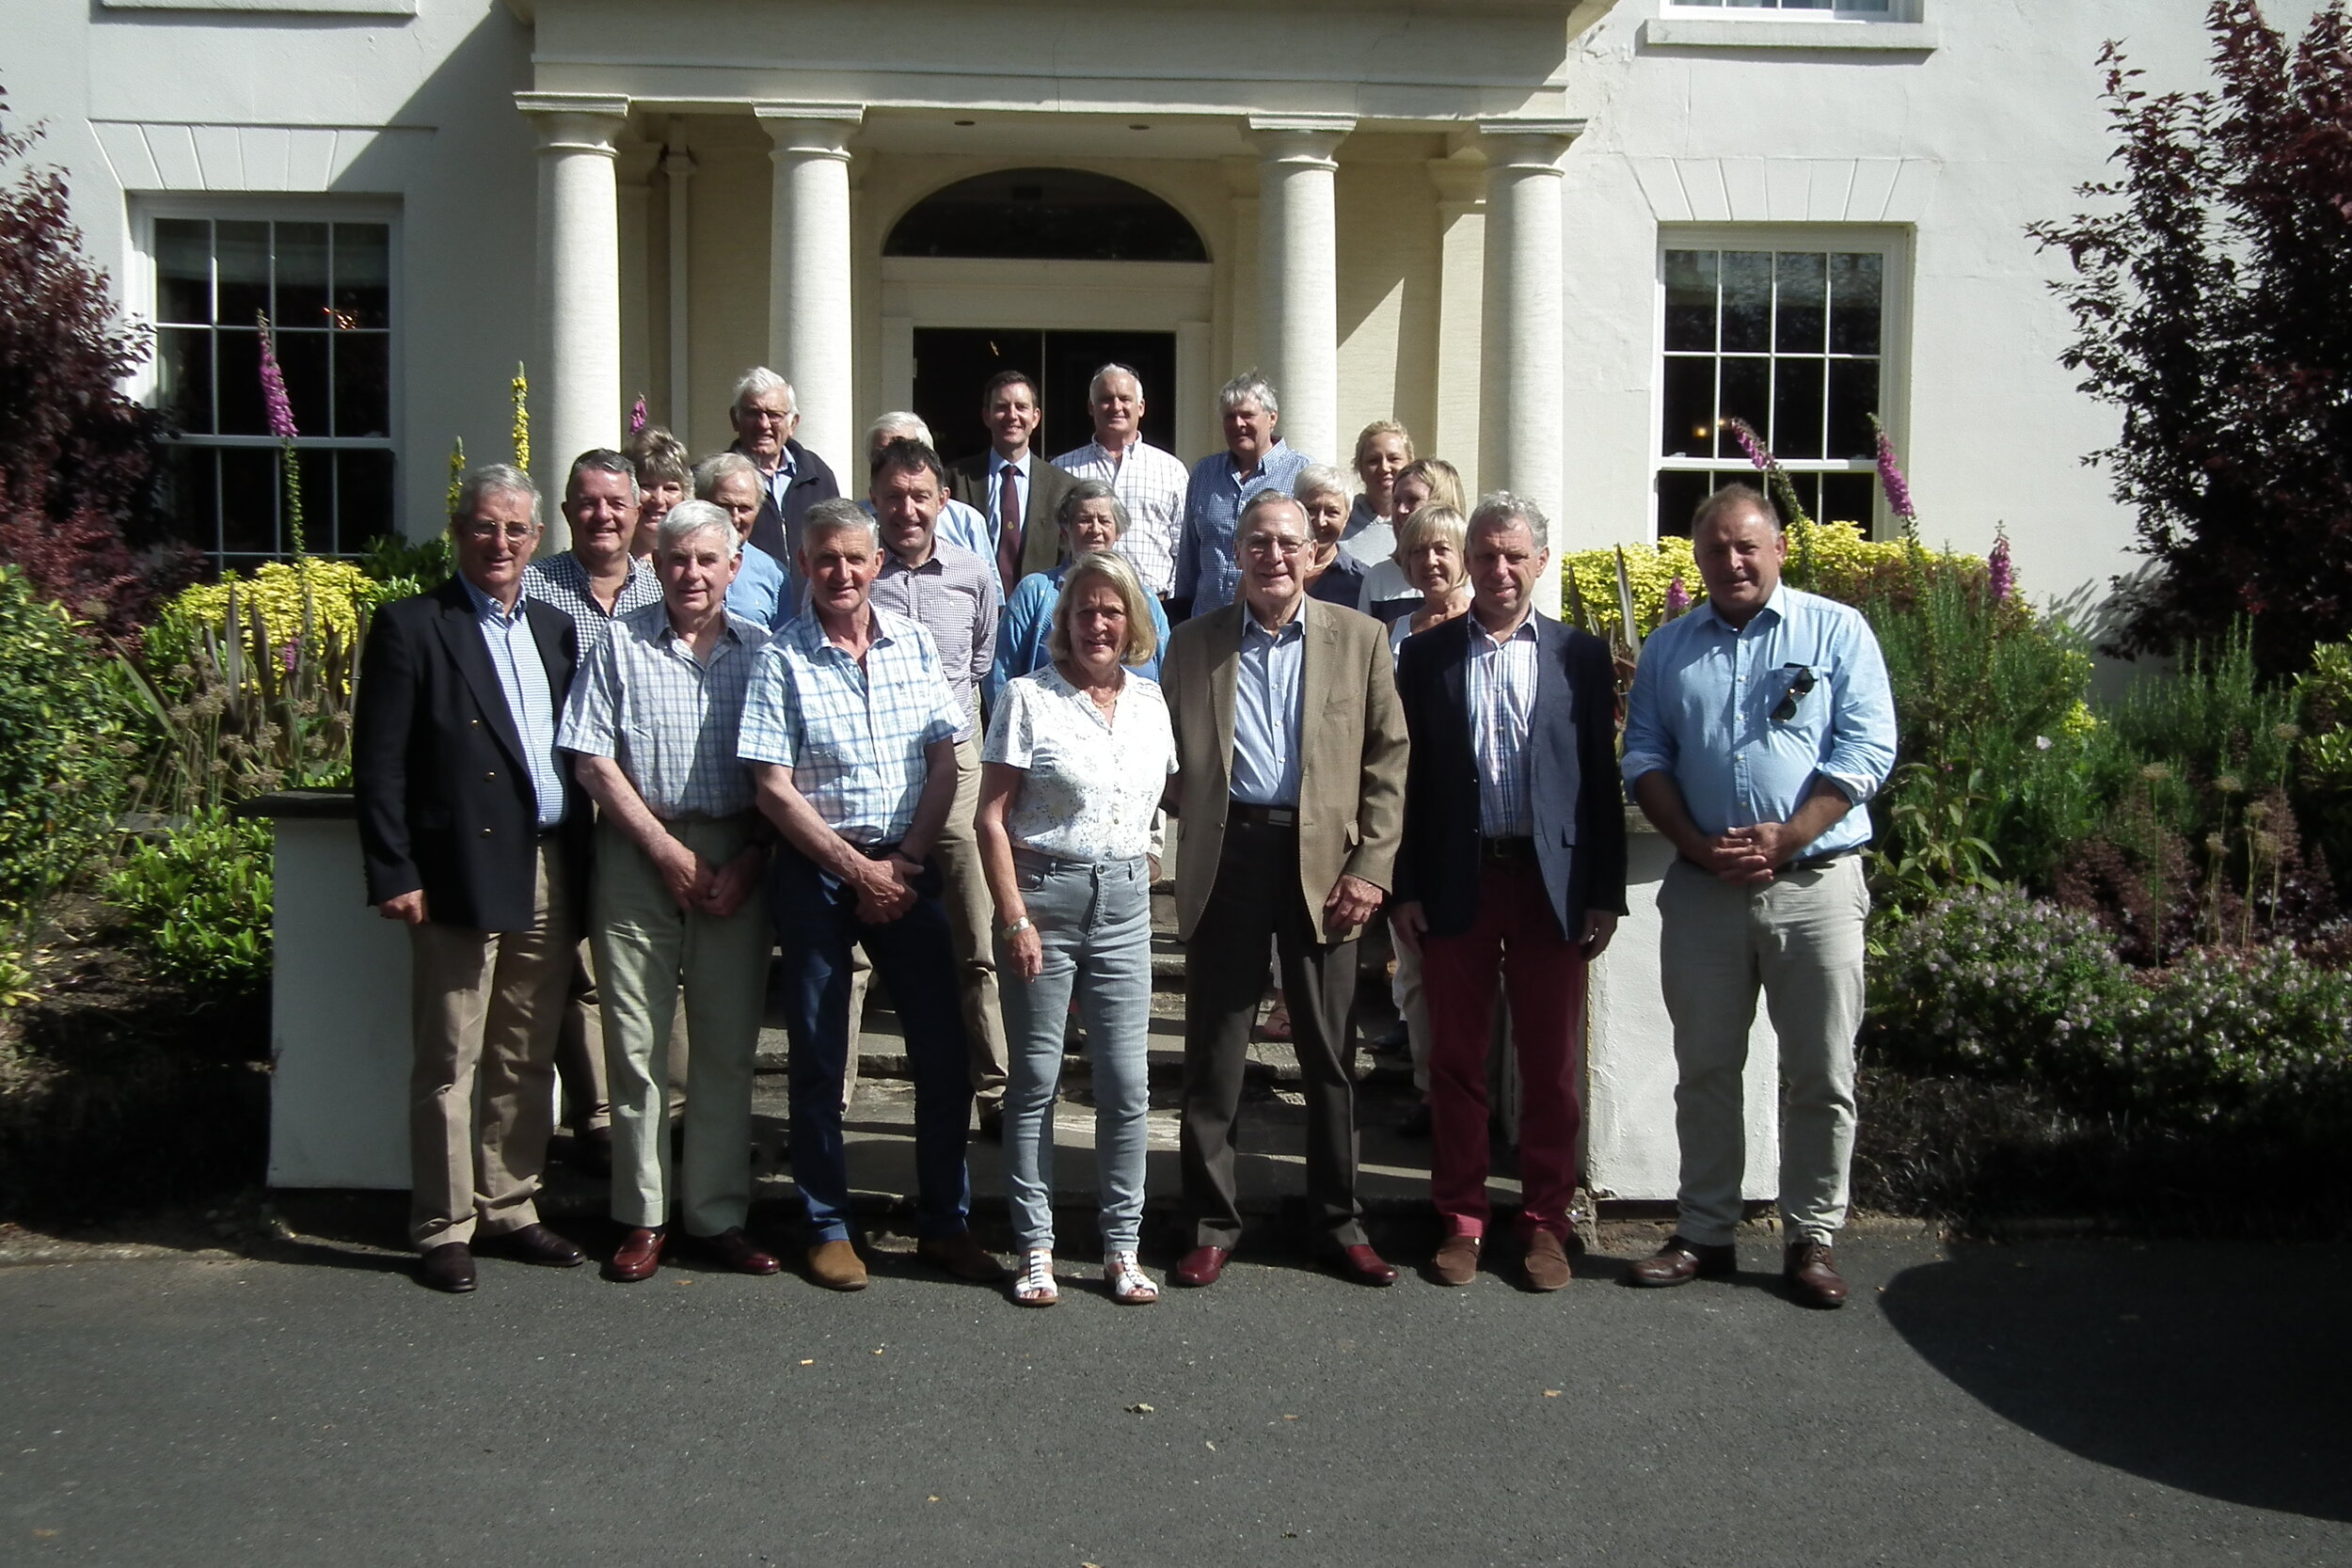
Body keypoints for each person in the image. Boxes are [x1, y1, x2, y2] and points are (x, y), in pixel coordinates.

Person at [1619, 483, 1897, 1309]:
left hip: (1814, 884)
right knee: (1705, 1069)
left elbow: (1866, 748)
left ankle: (1812, 1236)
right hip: (1706, 888)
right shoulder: (1671, 649)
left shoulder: (1836, 631)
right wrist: (1699, 844)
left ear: (1779, 548)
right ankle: (1705, 1228)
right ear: (1697, 558)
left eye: (1747, 546)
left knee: (1821, 1070)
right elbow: (1644, 755)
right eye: (1715, 549)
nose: (1732, 561)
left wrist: (1788, 836)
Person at [739, 499, 1005, 1291]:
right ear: (805, 566)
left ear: (877, 562)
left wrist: (908, 858)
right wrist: (857, 871)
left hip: (907, 861)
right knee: (820, 1054)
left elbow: (947, 761)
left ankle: (944, 1222)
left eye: (855, 558)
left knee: (944, 1050)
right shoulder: (780, 659)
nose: (842, 572)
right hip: (818, 870)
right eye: (825, 559)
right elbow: (772, 790)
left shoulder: (914, 644)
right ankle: (826, 1223)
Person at [1158, 490, 1409, 1290]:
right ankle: (1209, 1220)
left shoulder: (1361, 639)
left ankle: (1338, 1220)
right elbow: (1154, 752)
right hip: (1226, 858)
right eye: (1257, 542)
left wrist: (1372, 867)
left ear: (1314, 553)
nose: (1273, 556)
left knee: (1331, 1054)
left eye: (1287, 543)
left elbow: (1387, 761)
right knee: (1215, 1054)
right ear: (1237, 553)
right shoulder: (1192, 644)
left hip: (1326, 866)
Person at [353, 464, 591, 1293]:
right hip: (454, 867)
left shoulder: (558, 629)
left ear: (536, 540)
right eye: (485, 527)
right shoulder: (414, 625)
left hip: (551, 863)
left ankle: (510, 1203)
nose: (500, 543)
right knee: (451, 1053)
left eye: (516, 530)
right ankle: (443, 1224)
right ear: (460, 533)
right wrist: (395, 869)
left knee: (525, 1049)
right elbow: (378, 764)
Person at [1391, 495, 1629, 1291]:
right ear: (1467, 559)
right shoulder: (1426, 659)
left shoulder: (1580, 657)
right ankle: (1461, 1217)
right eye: (1485, 555)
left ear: (1540, 561)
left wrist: (1604, 892)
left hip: (1550, 886)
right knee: (1456, 1061)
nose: (1497, 569)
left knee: (1550, 1066)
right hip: (1459, 879)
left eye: (1513, 556)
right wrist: (1406, 886)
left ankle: (1544, 1224)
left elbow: (1601, 778)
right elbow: (1407, 785)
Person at [557, 499, 777, 1284]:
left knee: (725, 1047)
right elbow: (590, 758)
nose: (691, 573)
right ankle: (642, 1216)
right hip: (637, 851)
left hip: (736, 853)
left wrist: (750, 857)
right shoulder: (618, 643)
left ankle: (716, 1213)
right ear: (656, 564)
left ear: (733, 567)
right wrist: (662, 848)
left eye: (706, 560)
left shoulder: (762, 652)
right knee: (637, 1043)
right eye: (677, 558)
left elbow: (782, 777)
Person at [977, 550, 1177, 1308]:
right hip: (1042, 898)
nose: (1098, 622)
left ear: (1132, 623)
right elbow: (990, 817)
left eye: (1112, 610)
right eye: (1085, 610)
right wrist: (1015, 916)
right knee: (1034, 1081)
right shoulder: (1028, 698)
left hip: (1124, 903)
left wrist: (1148, 857)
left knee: (1128, 1084)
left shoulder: (1153, 702)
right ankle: (1036, 1246)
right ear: (1064, 621)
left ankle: (1122, 1247)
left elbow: (1160, 793)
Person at [863, 436, 1012, 1140]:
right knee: (857, 947)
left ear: (943, 501)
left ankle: (995, 1090)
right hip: (872, 771)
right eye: (893, 496)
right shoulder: (857, 574)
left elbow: (981, 660)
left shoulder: (975, 575)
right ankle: (835, 1098)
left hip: (955, 767)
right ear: (877, 500)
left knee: (975, 933)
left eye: (920, 495)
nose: (907, 509)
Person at [522, 450, 665, 1177]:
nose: (603, 515)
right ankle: (598, 1115)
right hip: (568, 804)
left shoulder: (661, 584)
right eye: (587, 501)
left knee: (654, 968)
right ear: (567, 510)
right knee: (575, 967)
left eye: (616, 501)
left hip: (652, 808)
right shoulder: (535, 589)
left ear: (638, 509)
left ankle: (665, 1113)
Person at [1378, 502, 1471, 1135]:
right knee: (1412, 969)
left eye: (1443, 549)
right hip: (1405, 814)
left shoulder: (1487, 625)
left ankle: (1472, 1093)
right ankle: (1428, 1089)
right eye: (1419, 550)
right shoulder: (1395, 632)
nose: (1431, 561)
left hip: (1468, 822)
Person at [985, 479, 1171, 705]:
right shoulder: (1034, 592)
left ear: (1118, 532)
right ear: (1065, 531)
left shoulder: (1145, 598)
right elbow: (1001, 672)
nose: (1095, 530)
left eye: (1104, 521)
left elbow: (1169, 674)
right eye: (1084, 520)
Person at [1172, 371, 1311, 620]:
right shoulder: (1204, 473)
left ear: (1272, 418)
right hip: (1207, 622)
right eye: (1229, 417)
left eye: (1247, 415)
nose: (1238, 424)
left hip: (1271, 623)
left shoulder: (1301, 473)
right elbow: (1189, 557)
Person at [1050, 362, 1190, 609]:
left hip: (1155, 607)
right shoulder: (1063, 469)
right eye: (1106, 399)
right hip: (1083, 609)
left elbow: (1184, 546)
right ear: (1091, 408)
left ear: (1141, 407)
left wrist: (1171, 601)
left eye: (1124, 399)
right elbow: (1053, 542)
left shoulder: (1171, 470)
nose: (1116, 407)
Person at [948, 370, 1075, 593]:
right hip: (972, 607)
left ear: (1036, 417)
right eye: (1002, 407)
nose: (1012, 415)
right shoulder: (956, 478)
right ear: (986, 416)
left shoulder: (1064, 487)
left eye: (1021, 407)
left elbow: (1069, 559)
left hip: (1040, 614)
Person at [725, 366, 841, 579]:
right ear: (735, 419)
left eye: (774, 415)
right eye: (753, 413)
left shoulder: (818, 476)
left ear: (793, 424)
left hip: (808, 607)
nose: (763, 424)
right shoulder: (714, 481)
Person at [864, 411, 992, 559]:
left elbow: (988, 579)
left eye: (906, 451)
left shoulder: (966, 521)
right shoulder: (854, 523)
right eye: (881, 455)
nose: (908, 511)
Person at [695, 451, 791, 630]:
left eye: (745, 508)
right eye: (724, 506)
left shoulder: (774, 574)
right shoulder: (682, 564)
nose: (735, 518)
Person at [1340, 420, 1413, 572]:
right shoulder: (1342, 519)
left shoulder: (1422, 523)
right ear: (1359, 468)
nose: (1384, 468)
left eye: (1393, 459)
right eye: (1373, 461)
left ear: (1410, 464)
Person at [1294, 464, 1368, 610]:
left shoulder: (1362, 581)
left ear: (1347, 517)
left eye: (1332, 512)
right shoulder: (1273, 567)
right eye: (1311, 509)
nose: (1320, 521)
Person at [624, 426, 691, 560]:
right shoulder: (611, 566)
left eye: (670, 488)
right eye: (646, 486)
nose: (659, 499)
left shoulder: (693, 563)